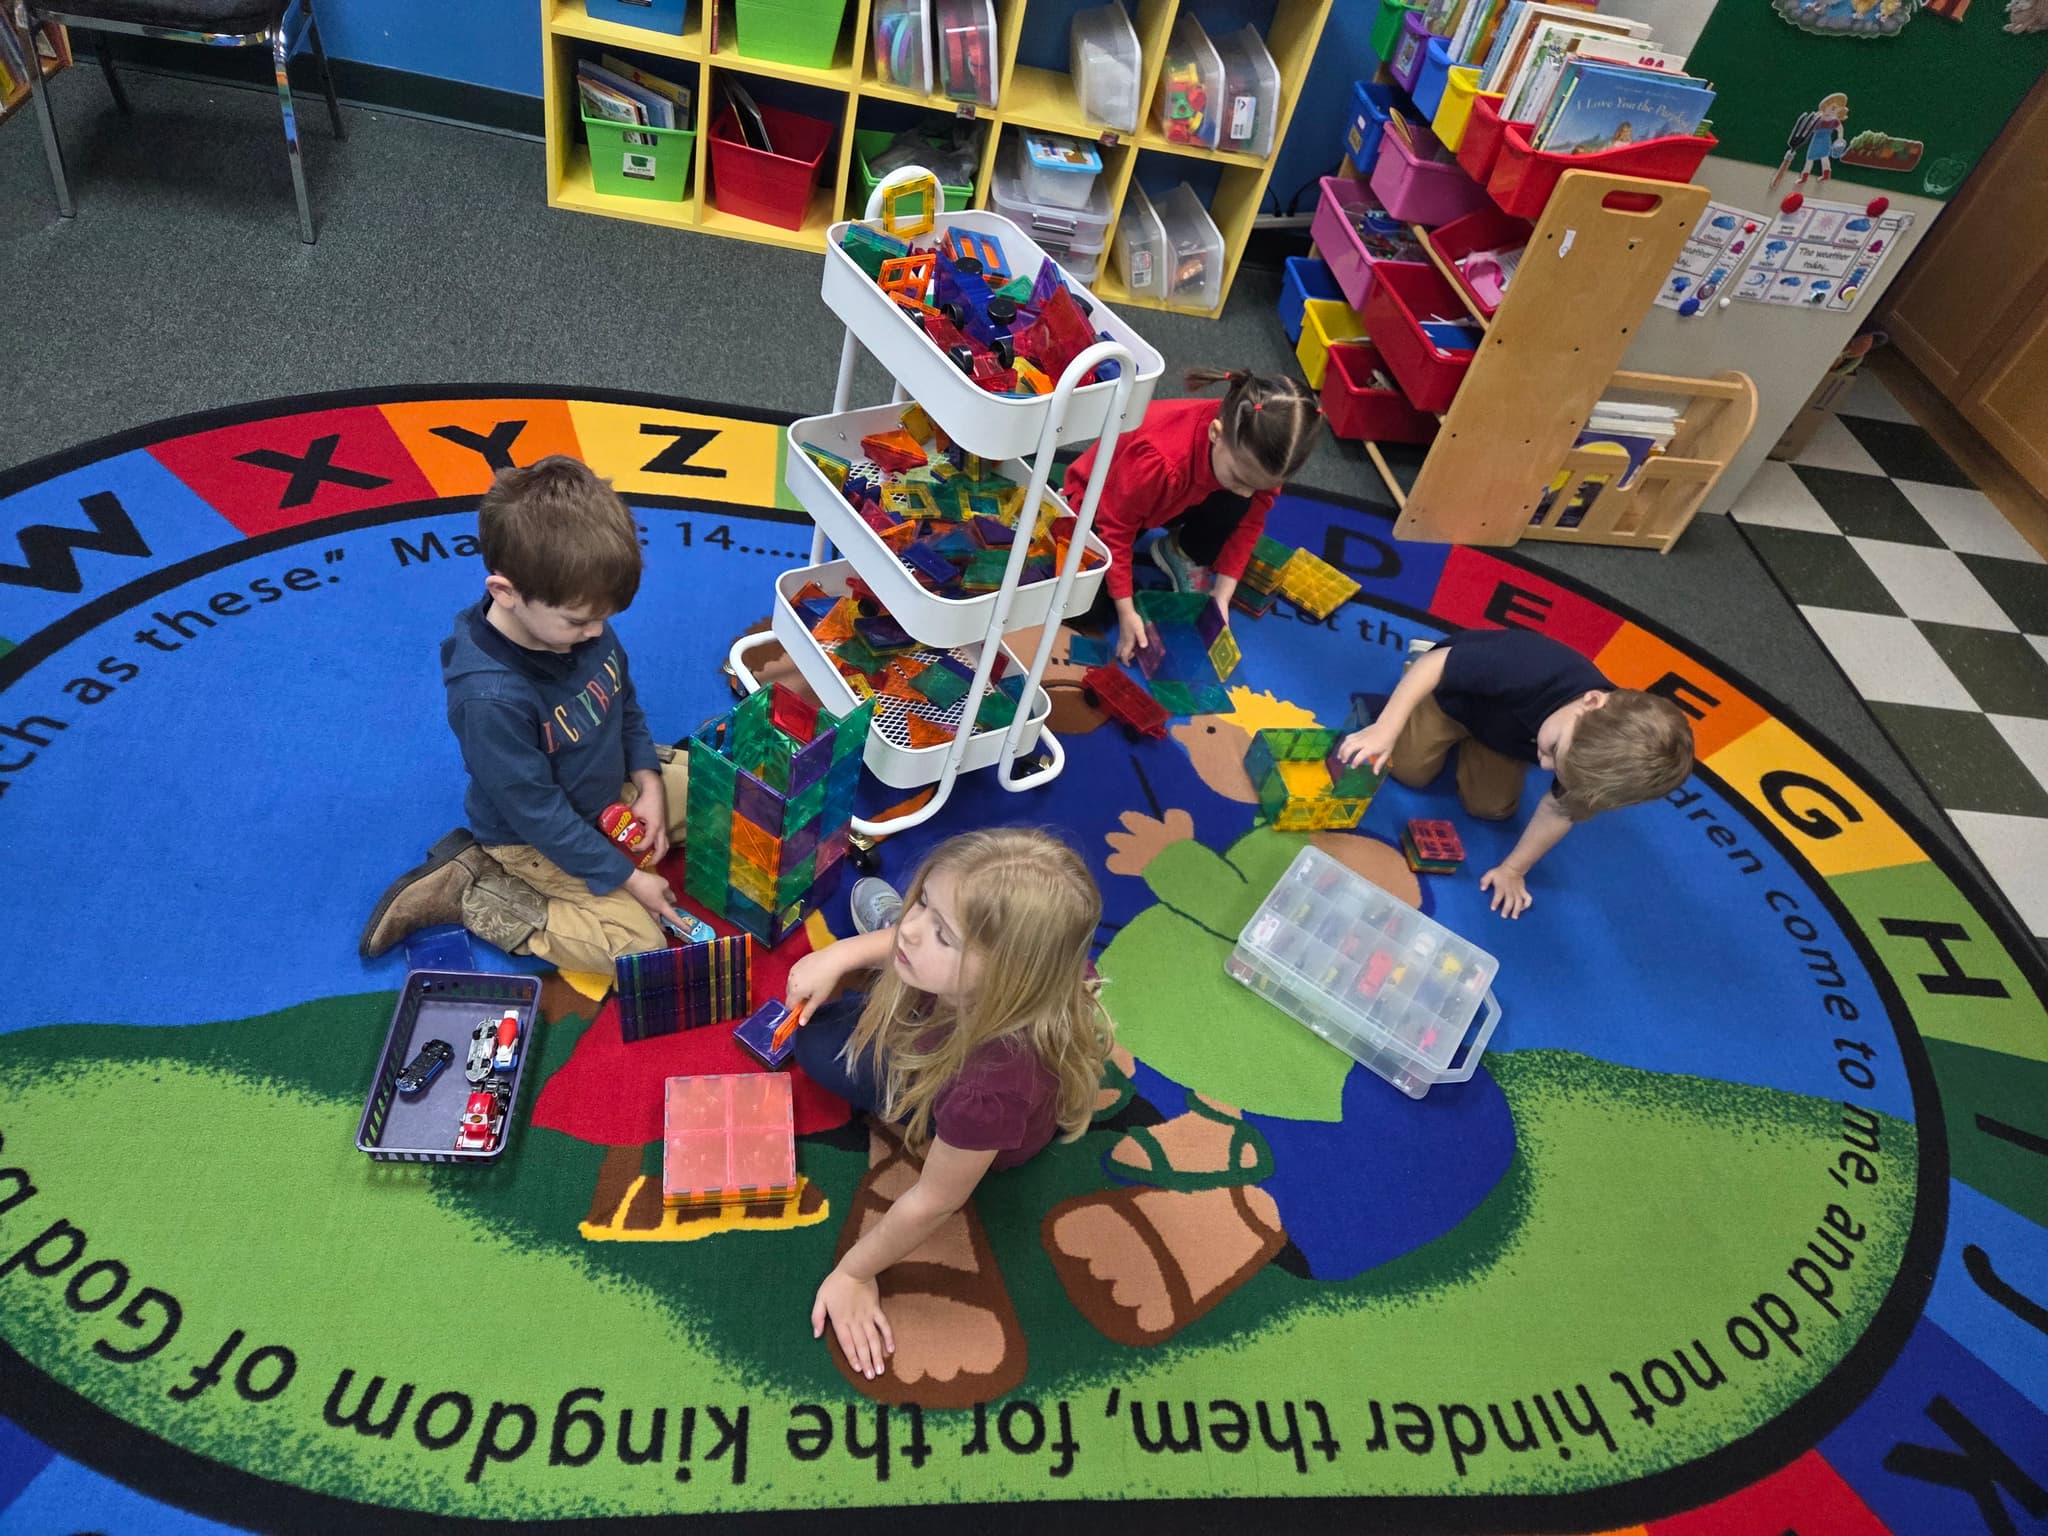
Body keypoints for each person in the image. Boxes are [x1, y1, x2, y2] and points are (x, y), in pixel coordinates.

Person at [784, 829, 1114, 1378]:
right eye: (921, 902)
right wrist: (843, 952)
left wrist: (853, 1275)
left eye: (943, 933)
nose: (909, 929)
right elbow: (914, 941)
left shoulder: (987, 1089)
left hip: (958, 1097)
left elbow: (933, 1201)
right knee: (867, 983)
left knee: (817, 1045)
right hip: (951, 1022)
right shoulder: (1047, 967)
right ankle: (927, 928)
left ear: (1011, 973)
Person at [359, 456, 690, 973]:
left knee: (719, 789)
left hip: (608, 792)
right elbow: (539, 814)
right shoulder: (489, 698)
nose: (597, 633)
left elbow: (624, 703)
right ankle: (473, 890)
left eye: (604, 618)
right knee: (639, 951)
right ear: (505, 593)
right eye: (581, 621)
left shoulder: (582, 617)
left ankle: (651, 786)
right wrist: (629, 879)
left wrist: (647, 784)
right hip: (531, 838)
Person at [1336, 630, 1693, 919]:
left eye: (1559, 770)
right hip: (1451, 697)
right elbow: (1438, 666)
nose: (1547, 767)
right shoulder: (1530, 668)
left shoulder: (1594, 762)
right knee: (1410, 771)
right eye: (1554, 751)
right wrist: (1386, 728)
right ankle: (1413, 665)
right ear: (1591, 703)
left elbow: (1560, 809)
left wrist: (1514, 870)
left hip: (1502, 738)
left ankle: (1485, 744)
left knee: (1492, 807)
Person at [1063, 368, 1319, 665]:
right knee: (1087, 611)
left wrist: (1222, 596)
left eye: (1257, 484)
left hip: (1167, 500)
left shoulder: (1258, 453)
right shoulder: (1162, 458)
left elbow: (1250, 523)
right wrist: (1126, 608)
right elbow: (1115, 524)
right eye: (1240, 478)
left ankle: (1179, 551)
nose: (1247, 491)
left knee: (1239, 503)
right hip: (1097, 503)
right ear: (1215, 433)